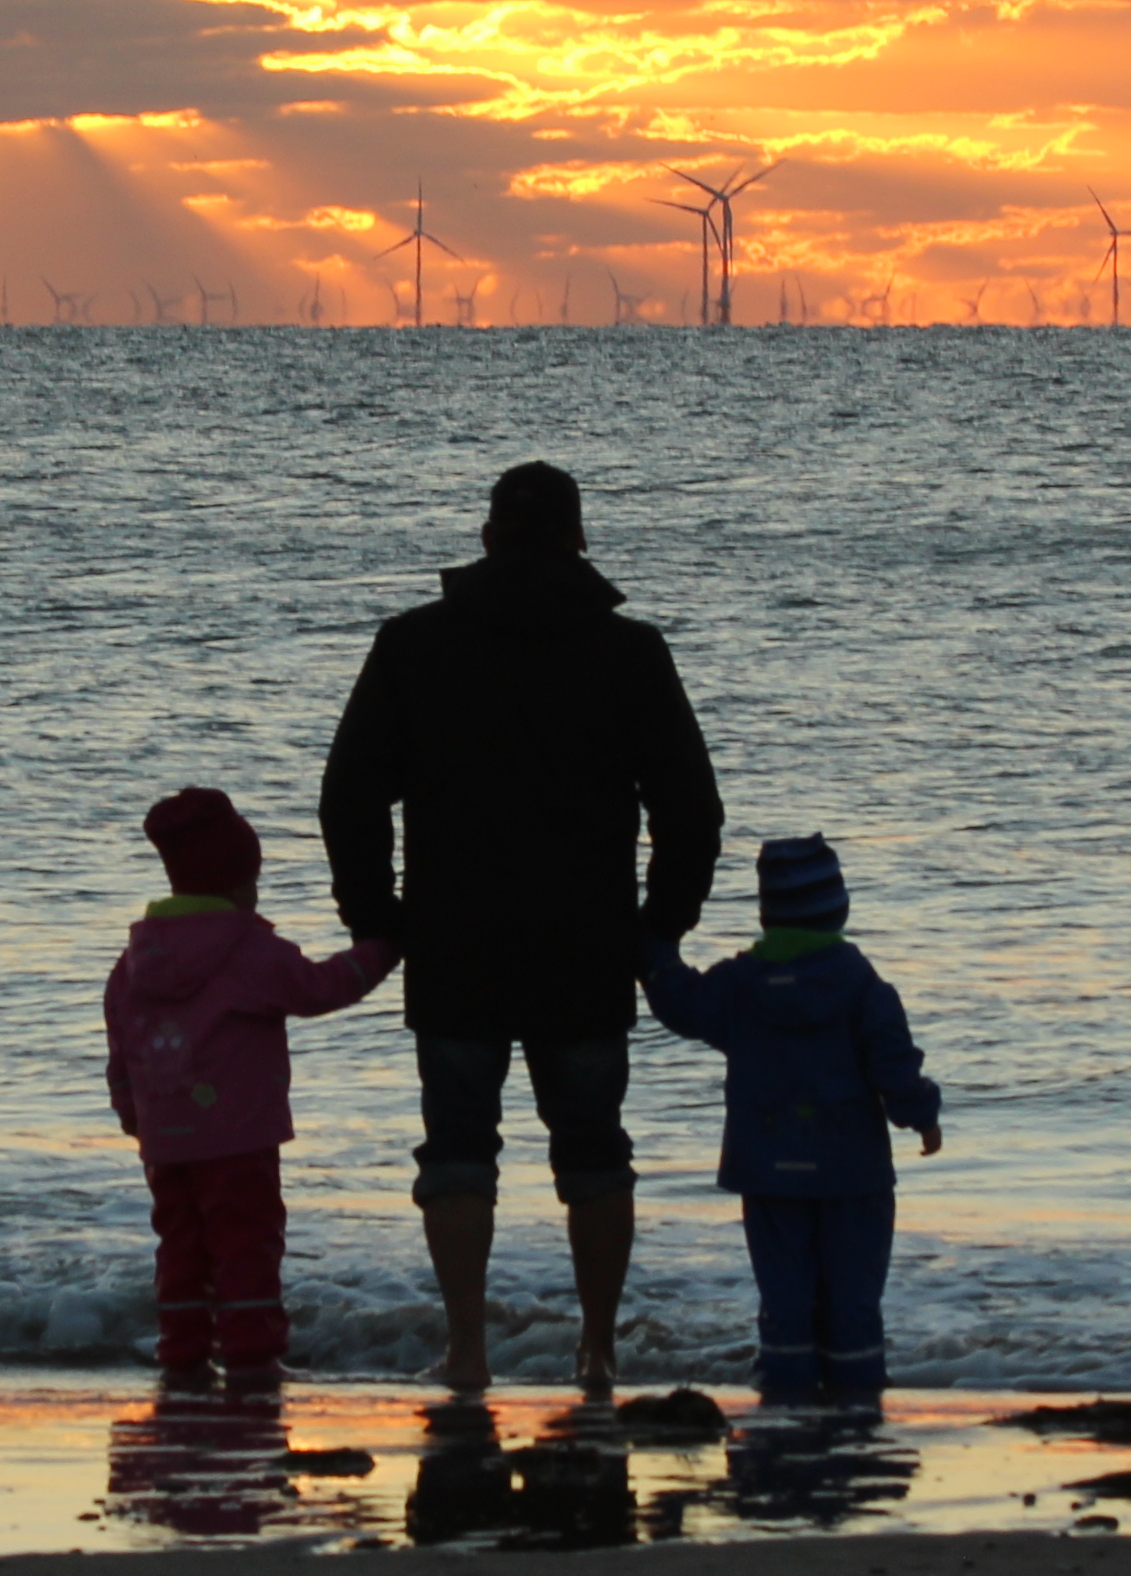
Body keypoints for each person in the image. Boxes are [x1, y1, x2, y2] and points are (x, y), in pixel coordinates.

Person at [318, 461, 724, 1395]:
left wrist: (376, 918)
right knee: (595, 1149)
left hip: (455, 942)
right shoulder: (631, 653)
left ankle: (467, 1351)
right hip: (587, 945)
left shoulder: (413, 645)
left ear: (488, 537)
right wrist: (659, 929)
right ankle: (598, 1347)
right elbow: (691, 812)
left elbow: (350, 797)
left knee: (457, 1151)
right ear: (580, 541)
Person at [103, 786, 394, 1388]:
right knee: (247, 1243)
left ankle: (182, 1351)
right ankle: (251, 1353)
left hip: (167, 1138)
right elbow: (317, 989)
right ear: (237, 882)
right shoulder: (247, 947)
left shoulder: (135, 958)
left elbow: (120, 1045)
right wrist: (380, 951)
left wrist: (132, 1112)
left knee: (180, 1246)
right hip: (238, 1137)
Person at [635, 835, 944, 1401]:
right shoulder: (861, 985)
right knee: (852, 1299)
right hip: (852, 1173)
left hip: (768, 1169)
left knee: (785, 1298)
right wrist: (921, 1114)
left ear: (766, 914)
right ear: (839, 911)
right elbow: (892, 1063)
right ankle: (856, 1399)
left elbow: (682, 1004)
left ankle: (785, 1397)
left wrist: (653, 951)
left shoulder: (739, 985)